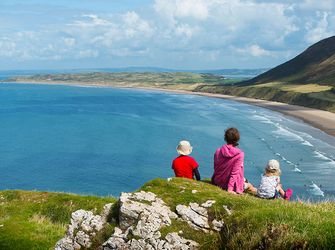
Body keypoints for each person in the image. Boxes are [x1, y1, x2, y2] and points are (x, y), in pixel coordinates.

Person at [212, 127, 256, 194]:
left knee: (244, 180)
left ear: (225, 138)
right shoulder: (240, 154)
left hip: (218, 181)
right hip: (229, 185)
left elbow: (216, 168)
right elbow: (234, 173)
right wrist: (230, 189)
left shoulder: (218, 151)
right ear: (237, 139)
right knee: (250, 186)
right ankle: (264, 195)